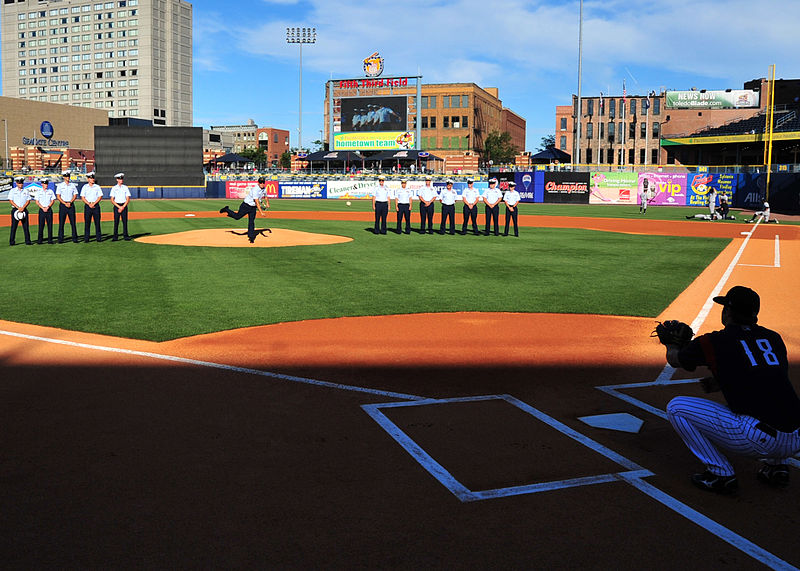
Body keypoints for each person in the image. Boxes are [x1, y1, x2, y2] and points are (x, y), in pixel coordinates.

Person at [664, 286, 800, 494]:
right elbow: (766, 375)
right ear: (754, 313)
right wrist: (721, 381)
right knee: (777, 401)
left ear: (727, 311)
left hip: (758, 440)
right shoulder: (773, 339)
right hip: (796, 438)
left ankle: (720, 473)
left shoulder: (714, 341)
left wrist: (671, 344)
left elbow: (676, 360)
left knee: (676, 407)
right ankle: (776, 466)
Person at [219, 176, 269, 243]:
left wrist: (267, 203)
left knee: (251, 221)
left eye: (263, 182)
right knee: (237, 217)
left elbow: (266, 196)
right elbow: (256, 201)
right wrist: (261, 212)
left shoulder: (264, 189)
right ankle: (227, 209)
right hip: (246, 205)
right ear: (258, 183)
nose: (262, 184)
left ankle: (251, 237)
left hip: (253, 208)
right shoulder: (255, 189)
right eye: (261, 182)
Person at [56, 170, 79, 243]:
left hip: (71, 205)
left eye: (68, 176)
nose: (68, 177)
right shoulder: (60, 185)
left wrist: (70, 202)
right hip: (63, 205)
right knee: (61, 223)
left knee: (73, 223)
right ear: (64, 177)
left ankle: (75, 238)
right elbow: (58, 196)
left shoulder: (72, 185)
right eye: (66, 176)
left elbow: (75, 195)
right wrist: (64, 203)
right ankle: (60, 239)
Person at [8, 176, 33, 246]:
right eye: (19, 183)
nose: (20, 184)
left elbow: (28, 200)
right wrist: (18, 207)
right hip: (15, 210)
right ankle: (12, 242)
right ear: (16, 183)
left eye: (21, 183)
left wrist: (23, 207)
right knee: (14, 227)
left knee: (26, 227)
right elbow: (11, 200)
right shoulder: (12, 191)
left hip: (24, 210)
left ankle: (28, 241)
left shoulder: (26, 191)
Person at [80, 171, 104, 242]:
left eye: (93, 178)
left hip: (95, 206)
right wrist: (89, 204)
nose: (93, 179)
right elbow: (83, 197)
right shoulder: (85, 187)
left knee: (97, 223)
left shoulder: (97, 187)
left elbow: (100, 196)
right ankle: (86, 238)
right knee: (87, 223)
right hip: (88, 206)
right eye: (91, 178)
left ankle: (99, 238)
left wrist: (94, 203)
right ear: (88, 179)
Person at [109, 172, 132, 241]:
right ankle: (115, 237)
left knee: (125, 222)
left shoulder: (125, 187)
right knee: (116, 222)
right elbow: (112, 199)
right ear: (117, 180)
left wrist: (123, 207)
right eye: (120, 179)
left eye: (122, 178)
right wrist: (119, 207)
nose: (121, 180)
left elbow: (128, 198)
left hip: (124, 206)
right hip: (117, 206)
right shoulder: (114, 188)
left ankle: (126, 236)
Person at [35, 177, 56, 244]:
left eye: (47, 183)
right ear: (42, 184)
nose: (46, 185)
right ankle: (40, 240)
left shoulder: (50, 191)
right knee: (41, 225)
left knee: (50, 225)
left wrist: (48, 206)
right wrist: (42, 208)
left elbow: (53, 200)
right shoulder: (39, 192)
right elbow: (37, 201)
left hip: (49, 209)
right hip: (42, 210)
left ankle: (50, 240)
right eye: (44, 184)